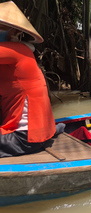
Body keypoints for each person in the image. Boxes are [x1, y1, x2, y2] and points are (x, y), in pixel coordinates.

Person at [0, 1, 56, 157]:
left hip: (26, 136)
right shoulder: (6, 61)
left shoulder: (17, 51)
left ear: (15, 33)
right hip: (31, 132)